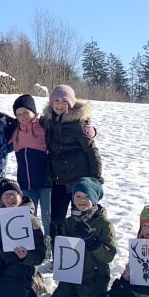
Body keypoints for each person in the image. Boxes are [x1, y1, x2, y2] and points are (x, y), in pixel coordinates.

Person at [50, 178, 117, 297]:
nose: (82, 200)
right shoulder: (68, 222)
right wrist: (55, 240)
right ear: (73, 199)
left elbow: (108, 256)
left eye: (87, 197)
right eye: (78, 196)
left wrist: (92, 241)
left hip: (94, 276)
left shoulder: (104, 224)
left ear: (94, 199)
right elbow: (63, 255)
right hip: (72, 274)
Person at [0, 179, 47, 297]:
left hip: (22, 266)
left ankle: (35, 281)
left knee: (10, 292)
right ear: (1, 199)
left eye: (13, 194)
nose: (10, 199)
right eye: (6, 195)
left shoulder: (31, 220)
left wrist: (26, 256)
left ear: (20, 196)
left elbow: (41, 254)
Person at [42, 84, 102, 231]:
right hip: (59, 181)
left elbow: (92, 150)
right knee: (57, 220)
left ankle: (82, 251)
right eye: (56, 101)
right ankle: (57, 249)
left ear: (70, 103)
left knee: (81, 218)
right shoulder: (48, 121)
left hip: (79, 181)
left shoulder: (78, 123)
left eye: (64, 101)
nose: (59, 105)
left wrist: (96, 179)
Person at [8, 94, 52, 242]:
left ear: (33, 111)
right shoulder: (15, 130)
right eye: (18, 114)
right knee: (28, 217)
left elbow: (65, 126)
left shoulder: (44, 125)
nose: (22, 117)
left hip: (47, 182)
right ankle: (32, 245)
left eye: (25, 112)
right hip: (26, 183)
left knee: (48, 217)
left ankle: (49, 245)